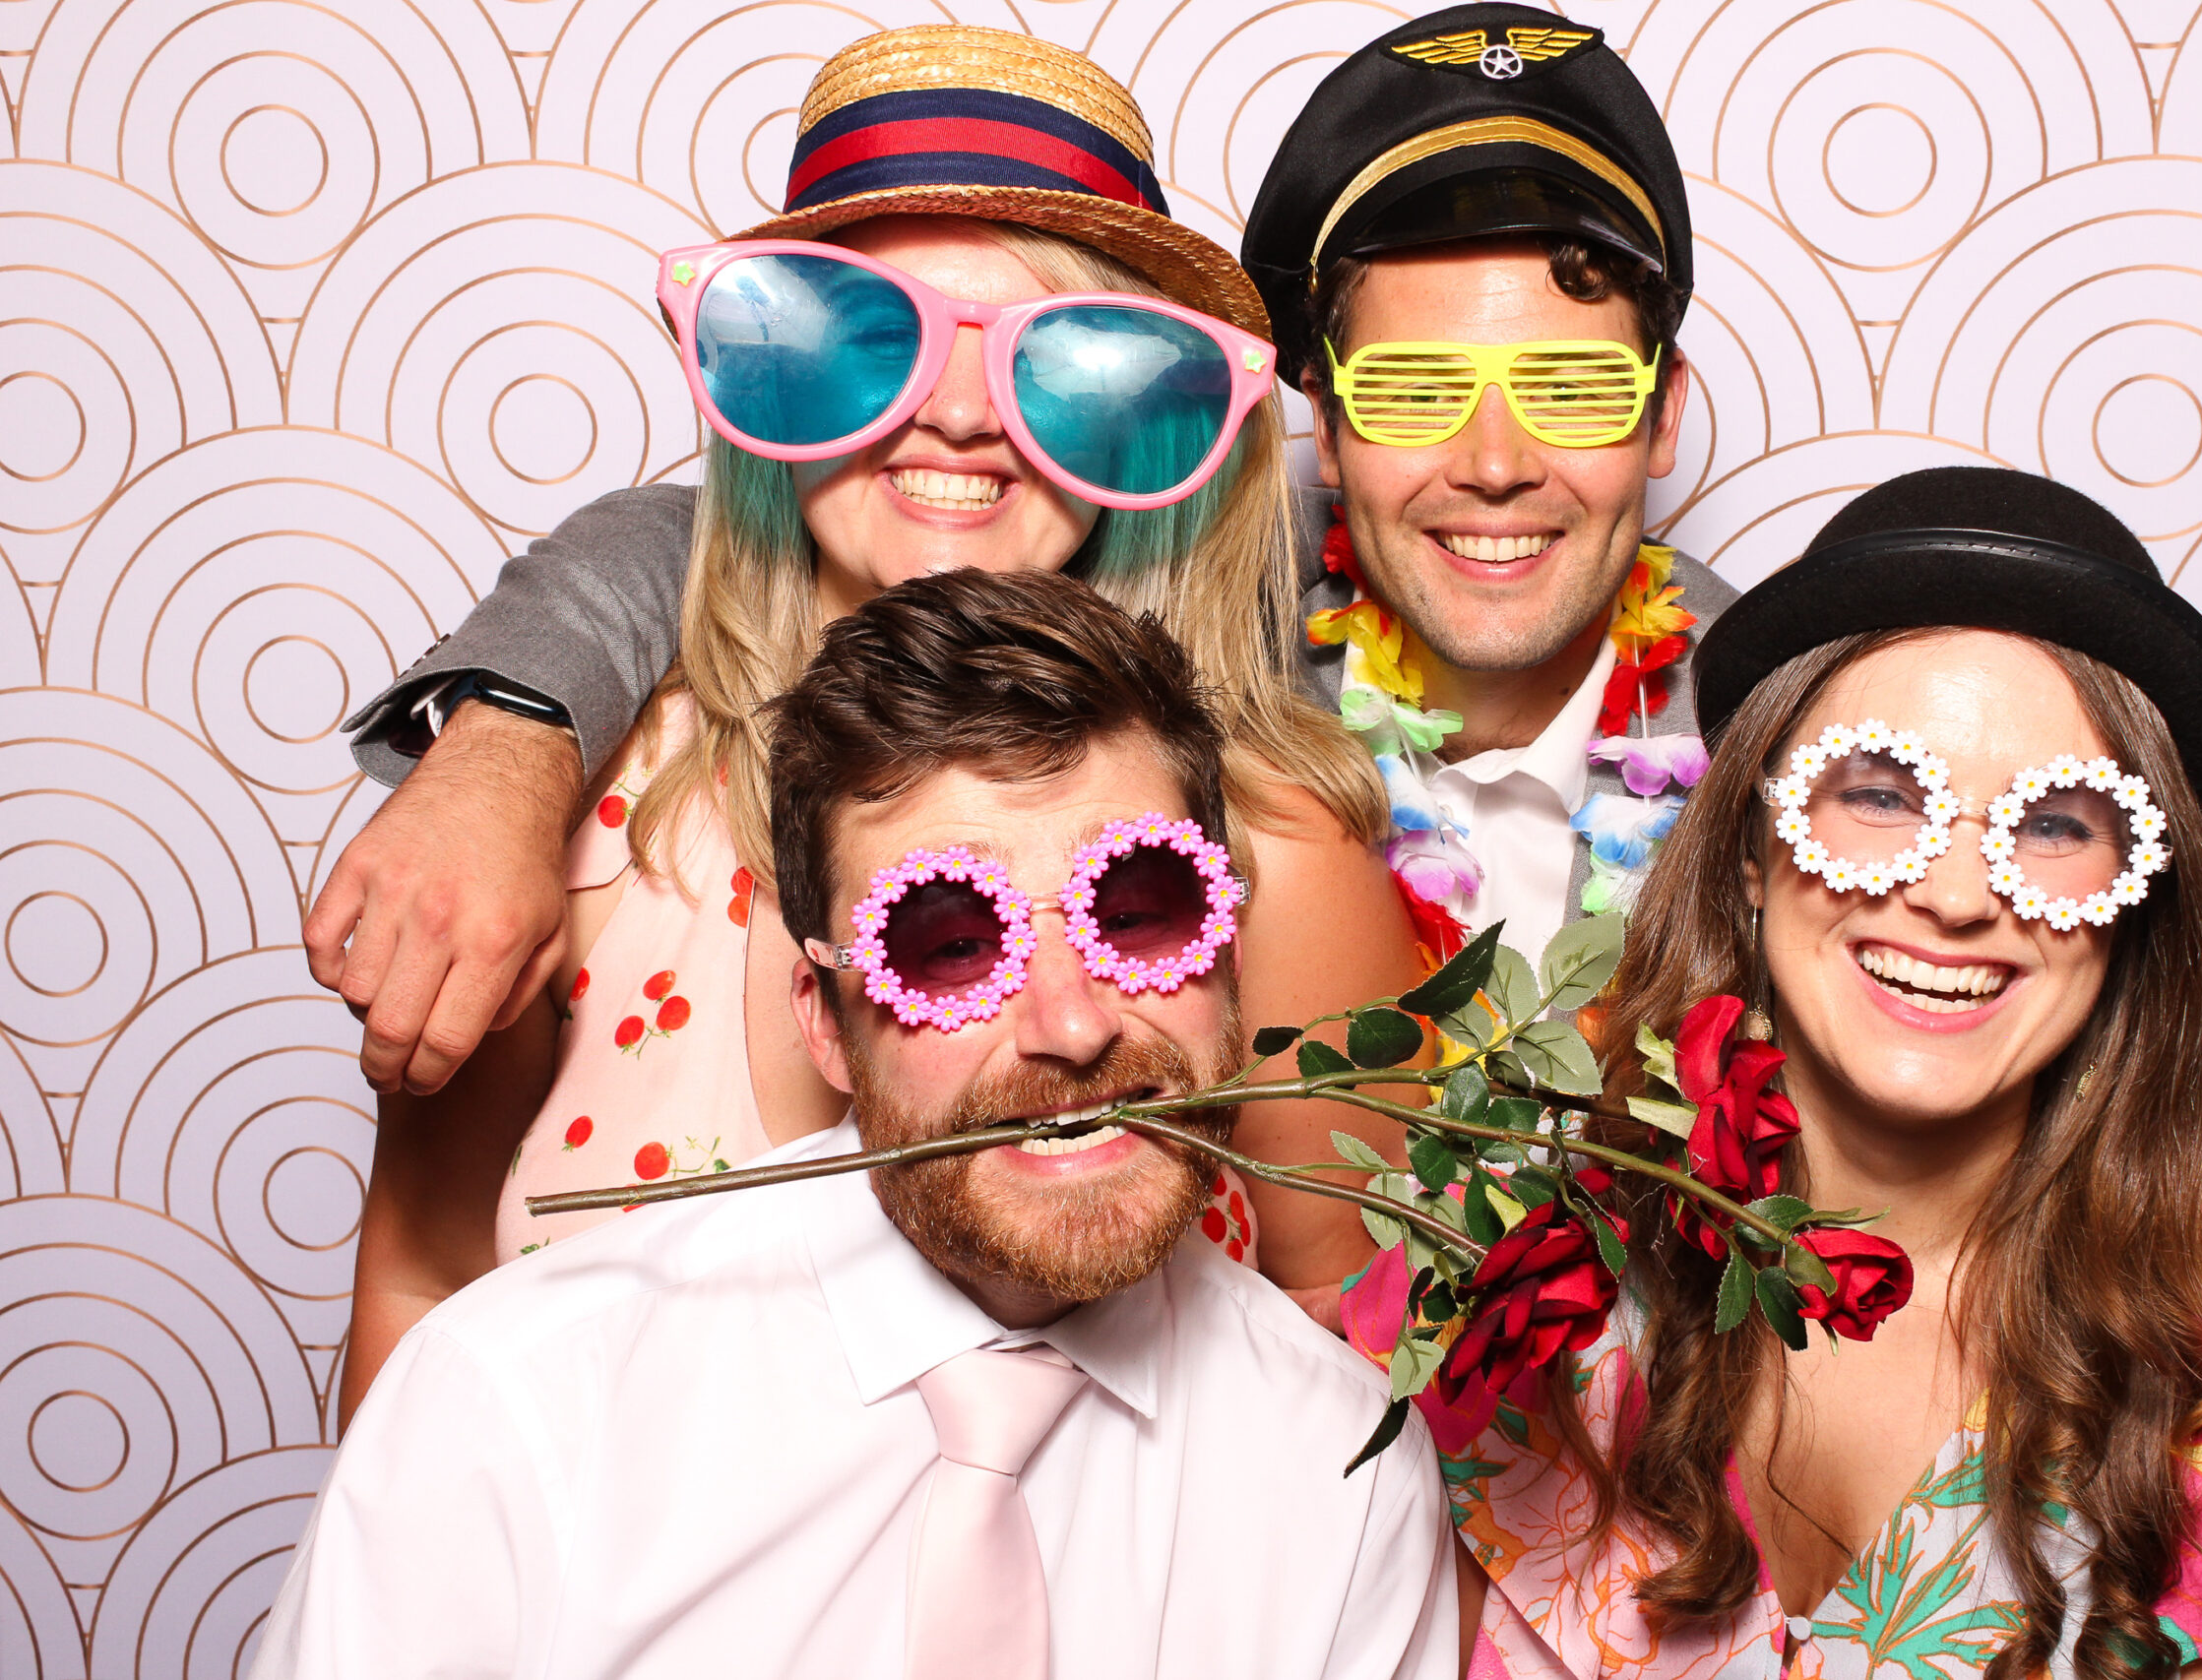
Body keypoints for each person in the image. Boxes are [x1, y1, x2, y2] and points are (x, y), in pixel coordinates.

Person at [306, 1, 1734, 1090]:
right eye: (1415, 391)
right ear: (1325, 416)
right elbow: (726, 535)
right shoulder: (1219, 645)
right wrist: (509, 734)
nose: (1493, 463)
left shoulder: (1777, 717)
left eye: (1572, 388)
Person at [339, 23, 1427, 1419]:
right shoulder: (580, 816)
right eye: (870, 346)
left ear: (1141, 413)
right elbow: (422, 1287)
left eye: (1056, 362)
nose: (958, 417)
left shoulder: (1265, 854)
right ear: (769, 378)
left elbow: (1360, 1352)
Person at [253, 569, 1457, 1680]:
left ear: (1228, 957)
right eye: (950, 945)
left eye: (1138, 913)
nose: (1071, 1024)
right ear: (824, 1023)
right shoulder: (512, 1410)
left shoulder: (1343, 1470)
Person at [1426, 467, 2202, 1677]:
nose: (1957, 898)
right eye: (1878, 795)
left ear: (2132, 900)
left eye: (2054, 824)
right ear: (1752, 846)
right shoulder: (1518, 1251)